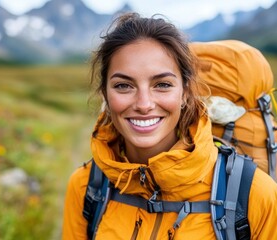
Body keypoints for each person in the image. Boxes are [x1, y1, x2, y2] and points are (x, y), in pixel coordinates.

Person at [62, 12, 277, 239]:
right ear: (105, 92)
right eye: (123, 85)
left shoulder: (256, 195)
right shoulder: (87, 186)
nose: (144, 104)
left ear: (185, 92)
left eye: (162, 84)